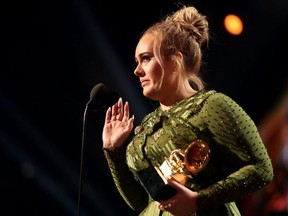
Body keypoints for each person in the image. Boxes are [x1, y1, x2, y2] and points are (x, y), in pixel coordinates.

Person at [101, 4, 273, 216]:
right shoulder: (146, 127)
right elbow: (139, 202)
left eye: (146, 58)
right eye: (137, 62)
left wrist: (199, 200)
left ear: (175, 60)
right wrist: (113, 151)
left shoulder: (211, 105)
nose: (137, 70)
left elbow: (262, 170)